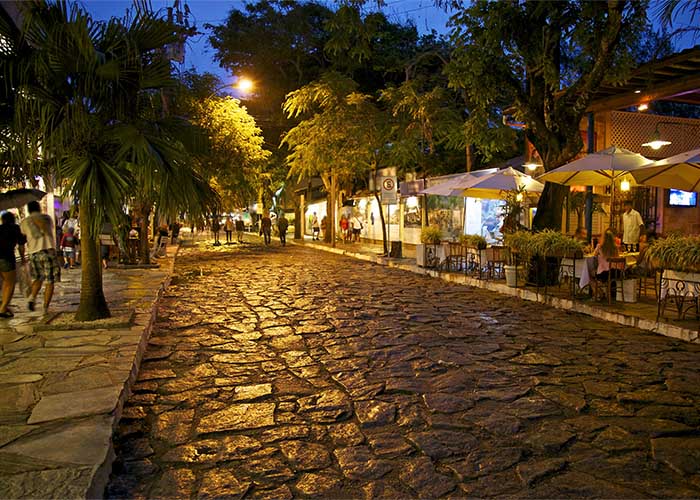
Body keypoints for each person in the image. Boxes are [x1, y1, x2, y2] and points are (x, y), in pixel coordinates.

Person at [19, 201, 60, 313]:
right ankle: (45, 307)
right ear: (39, 208)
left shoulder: (24, 222)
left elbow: (22, 239)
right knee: (49, 281)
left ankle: (32, 298)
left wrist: (23, 257)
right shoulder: (47, 218)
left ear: (28, 210)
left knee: (37, 278)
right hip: (48, 251)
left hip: (34, 253)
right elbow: (51, 229)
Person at [0, 212, 27, 318]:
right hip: (6, 257)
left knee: (4, 282)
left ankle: (4, 305)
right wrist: (23, 258)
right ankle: (3, 308)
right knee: (10, 283)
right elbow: (21, 246)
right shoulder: (15, 228)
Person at [593, 228, 620, 298]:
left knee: (590, 275)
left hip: (604, 273)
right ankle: (606, 292)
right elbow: (618, 258)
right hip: (615, 273)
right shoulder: (616, 248)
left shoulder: (600, 247)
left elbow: (594, 255)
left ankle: (599, 293)